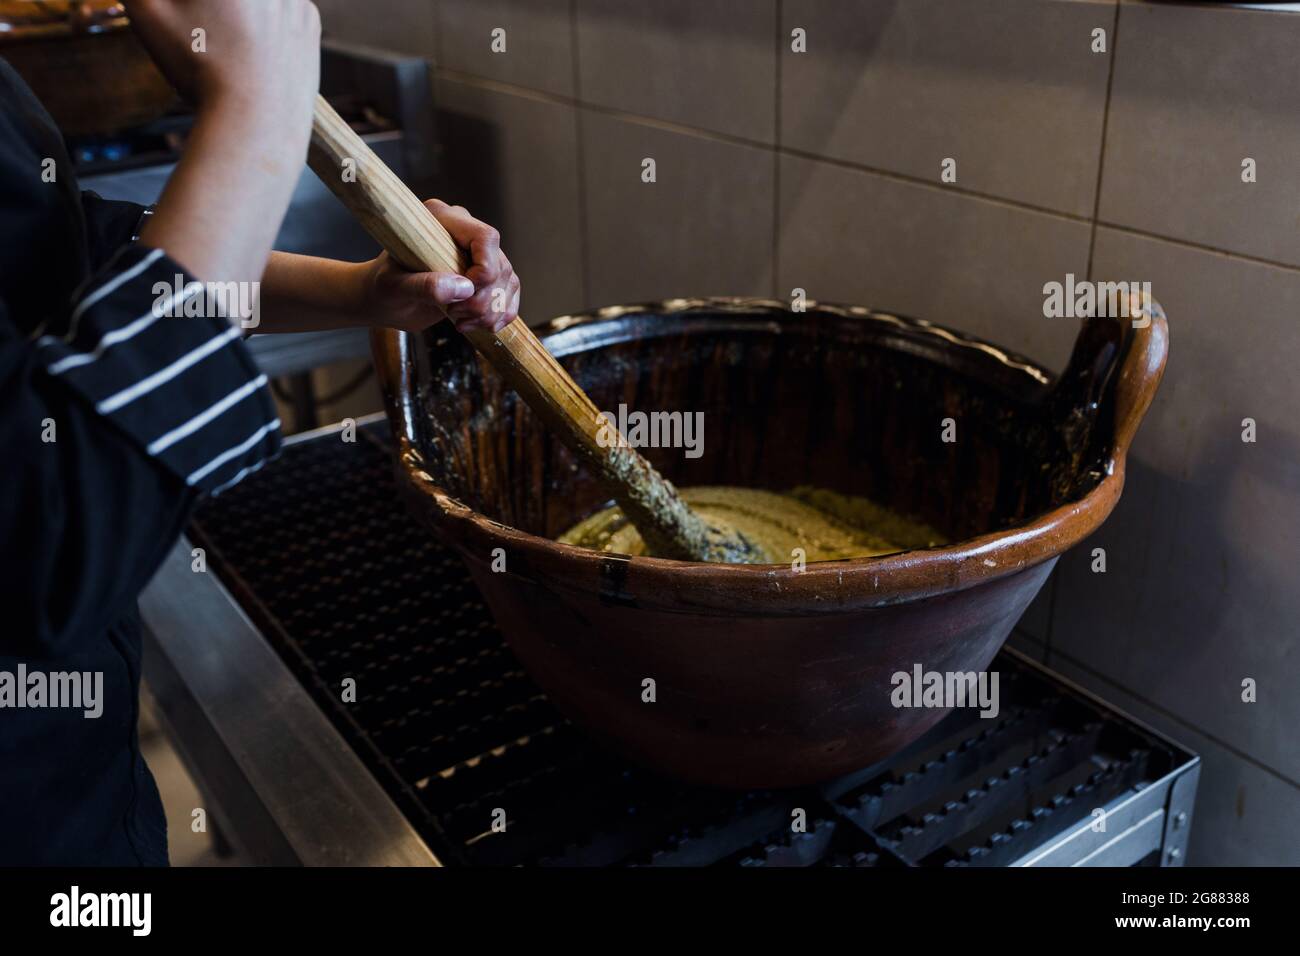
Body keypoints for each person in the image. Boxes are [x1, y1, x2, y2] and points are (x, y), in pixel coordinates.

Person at [0, 0, 520, 865]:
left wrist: (359, 293)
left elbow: (63, 257)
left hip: (80, 778)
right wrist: (256, 107)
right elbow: (53, 534)